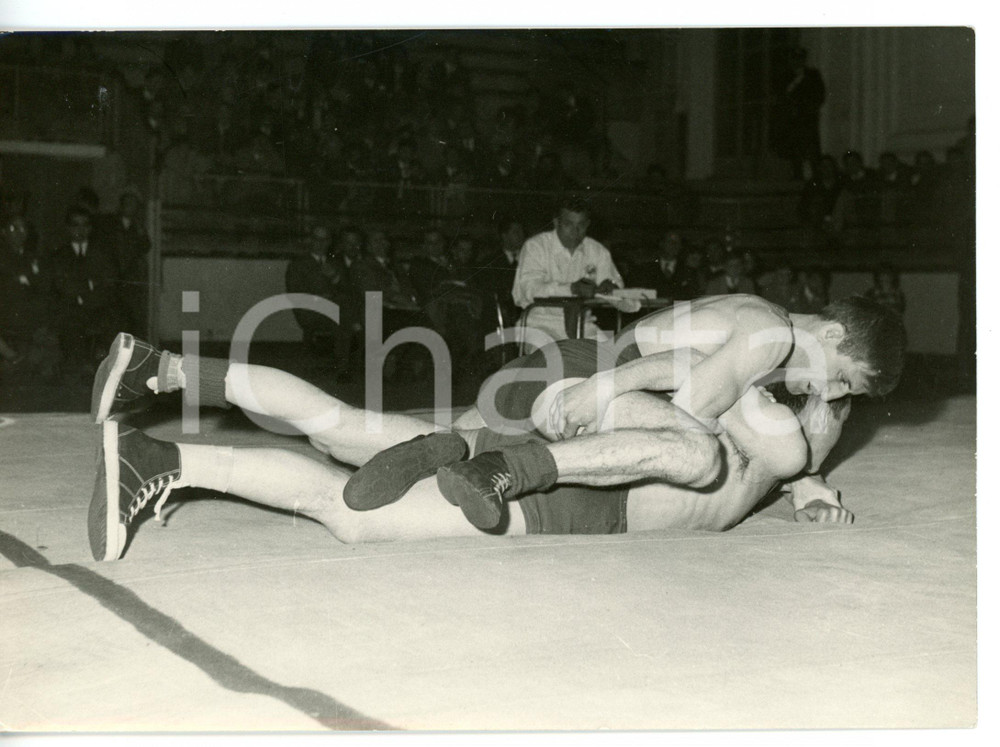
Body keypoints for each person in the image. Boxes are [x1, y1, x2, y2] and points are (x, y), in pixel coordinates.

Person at [87, 330, 852, 562]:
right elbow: (700, 381)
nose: (838, 420)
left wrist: (807, 493)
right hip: (578, 501)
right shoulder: (767, 419)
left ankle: (168, 368)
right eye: (841, 400)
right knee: (352, 516)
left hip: (560, 456)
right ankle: (164, 461)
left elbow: (772, 466)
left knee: (345, 426)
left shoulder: (784, 459)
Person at [379, 293, 905, 528]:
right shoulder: (770, 338)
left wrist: (805, 481)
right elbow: (687, 414)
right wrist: (794, 464)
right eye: (841, 378)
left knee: (431, 444)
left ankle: (419, 449)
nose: (833, 396)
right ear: (831, 333)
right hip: (589, 378)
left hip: (564, 366)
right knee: (694, 453)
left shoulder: (762, 319)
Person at [511, 195, 623, 343]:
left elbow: (618, 290)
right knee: (554, 361)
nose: (575, 231)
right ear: (556, 222)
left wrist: (611, 289)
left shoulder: (597, 251)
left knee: (611, 360)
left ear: (588, 224)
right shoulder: (535, 246)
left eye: (581, 225)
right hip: (539, 325)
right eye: (568, 224)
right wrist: (571, 289)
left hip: (583, 325)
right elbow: (529, 290)